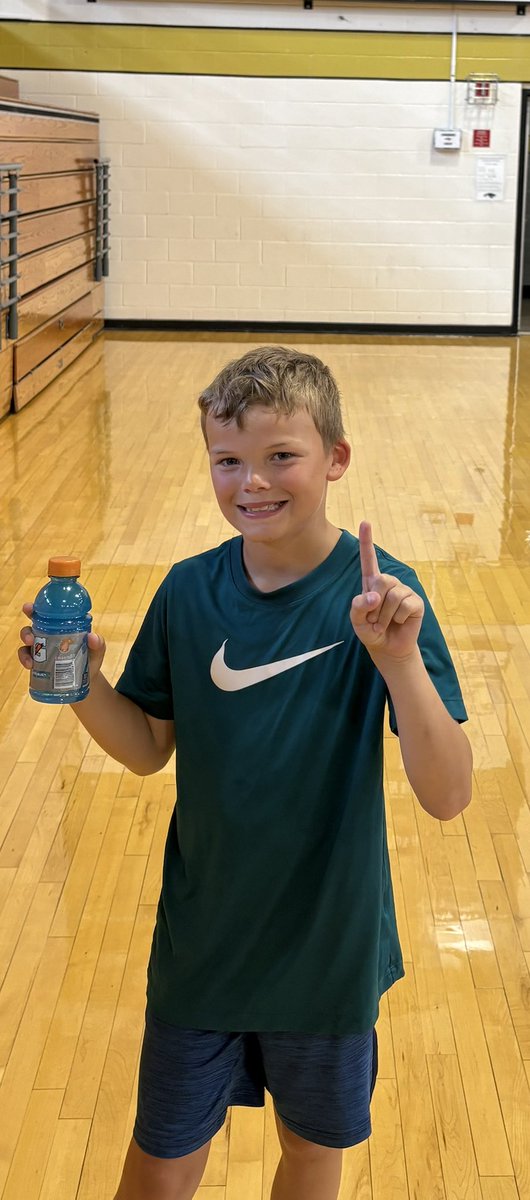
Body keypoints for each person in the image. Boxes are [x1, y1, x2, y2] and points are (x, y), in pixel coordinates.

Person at [19, 345, 473, 1200]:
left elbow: (448, 797)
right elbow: (151, 747)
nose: (251, 482)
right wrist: (81, 685)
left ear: (335, 459)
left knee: (310, 1153)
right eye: (228, 460)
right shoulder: (189, 592)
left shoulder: (385, 600)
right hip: (204, 947)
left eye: (280, 457)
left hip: (326, 954)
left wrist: (400, 662)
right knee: (159, 1164)